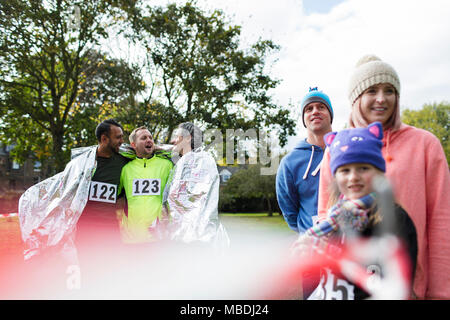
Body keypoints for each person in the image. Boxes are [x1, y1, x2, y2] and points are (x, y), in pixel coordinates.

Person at [317, 55, 450, 299]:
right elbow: (327, 216)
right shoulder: (335, 148)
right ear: (356, 98)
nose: (381, 98)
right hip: (349, 287)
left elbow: (442, 222)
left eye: (389, 90)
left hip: (410, 286)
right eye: (372, 90)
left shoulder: (425, 144)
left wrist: (441, 292)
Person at [293, 122, 417, 300]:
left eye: (363, 168)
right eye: (345, 170)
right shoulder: (336, 217)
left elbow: (398, 280)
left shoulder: (395, 219)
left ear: (378, 172)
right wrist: (311, 252)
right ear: (336, 177)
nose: (353, 177)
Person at [163, 122, 230, 250]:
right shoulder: (186, 162)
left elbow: (186, 199)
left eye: (177, 137)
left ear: (188, 138)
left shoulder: (199, 162)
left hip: (195, 239)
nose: (173, 141)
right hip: (186, 236)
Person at [276, 87, 334, 234]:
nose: (315, 111)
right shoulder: (289, 163)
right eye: (309, 109)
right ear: (303, 119)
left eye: (321, 107)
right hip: (311, 244)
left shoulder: (346, 149)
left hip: (348, 240)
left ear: (330, 115)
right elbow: (290, 213)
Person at [118, 126, 173, 244]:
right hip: (131, 238)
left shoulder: (167, 166)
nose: (149, 140)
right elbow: (117, 198)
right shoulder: (126, 169)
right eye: (143, 138)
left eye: (150, 137)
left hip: (159, 238)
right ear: (133, 145)